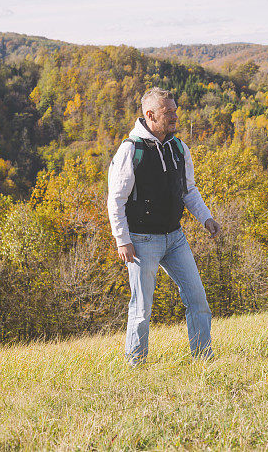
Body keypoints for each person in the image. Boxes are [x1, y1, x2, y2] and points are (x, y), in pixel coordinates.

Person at [107, 87, 221, 365]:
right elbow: (115, 200)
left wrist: (206, 218)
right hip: (141, 241)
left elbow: (188, 190)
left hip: (175, 238)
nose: (174, 116)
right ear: (150, 115)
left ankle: (203, 360)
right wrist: (122, 240)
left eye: (175, 110)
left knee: (197, 299)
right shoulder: (130, 150)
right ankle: (136, 366)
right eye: (168, 112)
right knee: (142, 308)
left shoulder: (179, 148)